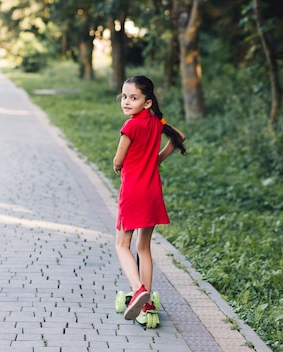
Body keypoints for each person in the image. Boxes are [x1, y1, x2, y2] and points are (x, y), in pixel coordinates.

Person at [113, 75, 186, 320]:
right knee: (143, 248)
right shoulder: (156, 122)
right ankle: (146, 304)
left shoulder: (130, 126)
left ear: (147, 102)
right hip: (152, 192)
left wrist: (116, 166)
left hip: (133, 192)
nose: (126, 101)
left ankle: (138, 290)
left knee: (122, 245)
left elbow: (118, 160)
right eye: (124, 96)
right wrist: (157, 159)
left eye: (133, 98)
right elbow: (179, 136)